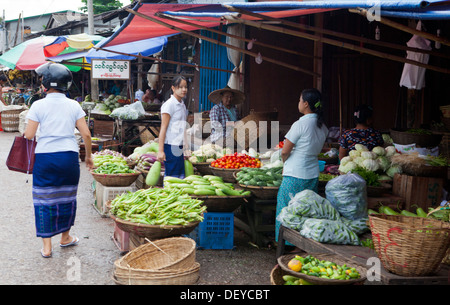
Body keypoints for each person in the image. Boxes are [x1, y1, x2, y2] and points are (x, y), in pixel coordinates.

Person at [24, 63, 93, 258]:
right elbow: (86, 135)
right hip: (69, 157)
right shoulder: (73, 105)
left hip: (45, 157)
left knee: (44, 199)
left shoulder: (38, 105)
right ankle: (65, 237)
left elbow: (29, 135)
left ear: (46, 84)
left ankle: (47, 247)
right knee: (67, 198)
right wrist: (88, 157)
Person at [275, 88, 328, 243]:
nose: (298, 103)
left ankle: (285, 243)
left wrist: (285, 162)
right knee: (305, 210)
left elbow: (285, 151)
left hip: (294, 174)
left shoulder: (300, 124)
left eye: (300, 100)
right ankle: (301, 244)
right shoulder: (322, 126)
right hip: (312, 174)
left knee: (286, 210)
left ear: (305, 104)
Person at [157, 75, 189, 178]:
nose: (183, 90)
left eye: (185, 87)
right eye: (180, 87)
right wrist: (161, 151)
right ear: (173, 88)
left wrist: (186, 147)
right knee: (172, 178)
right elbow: (163, 128)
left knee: (180, 178)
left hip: (179, 146)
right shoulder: (169, 105)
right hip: (170, 146)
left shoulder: (182, 105)